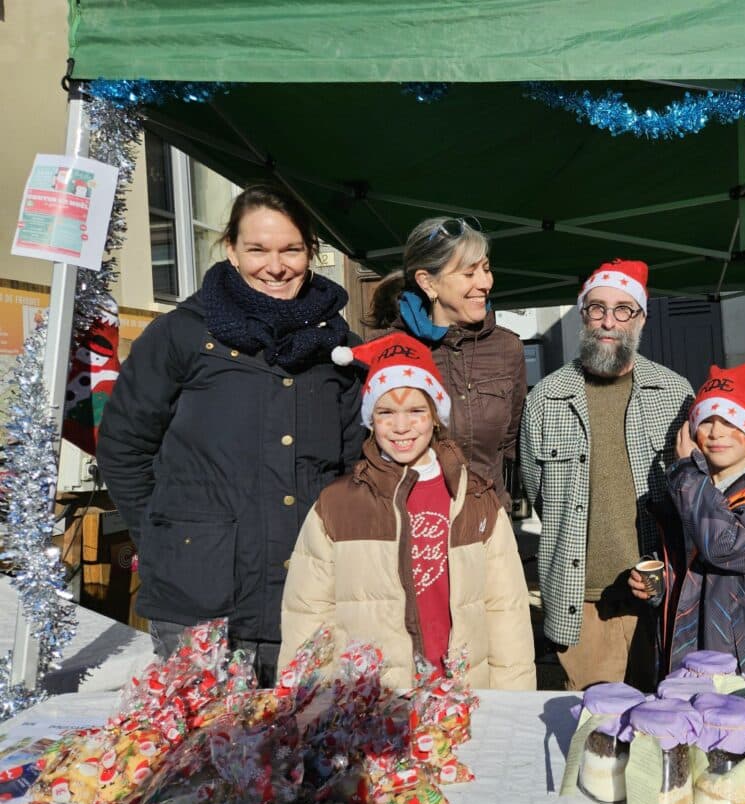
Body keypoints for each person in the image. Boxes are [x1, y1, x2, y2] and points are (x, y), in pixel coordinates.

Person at [97, 184, 364, 685]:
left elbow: (352, 468)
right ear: (232, 250)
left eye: (291, 249)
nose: (276, 266)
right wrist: (163, 537)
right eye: (258, 249)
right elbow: (123, 448)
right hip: (200, 597)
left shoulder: (340, 349)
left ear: (311, 251)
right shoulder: (181, 335)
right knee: (205, 749)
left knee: (301, 753)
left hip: (307, 594)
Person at [279, 333, 536, 690]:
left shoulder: (476, 499)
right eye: (386, 412)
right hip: (371, 703)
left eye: (415, 411)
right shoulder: (338, 505)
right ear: (371, 419)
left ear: (435, 416)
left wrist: (513, 704)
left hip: (464, 693)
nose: (401, 427)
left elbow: (506, 611)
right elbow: (308, 614)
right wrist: (308, 706)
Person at [519, 259, 693, 691]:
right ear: (583, 315)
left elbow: (693, 491)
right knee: (594, 737)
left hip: (658, 598)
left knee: (660, 729)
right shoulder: (546, 397)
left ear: (641, 319)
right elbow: (534, 488)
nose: (608, 321)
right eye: (597, 308)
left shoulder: (676, 394)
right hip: (582, 604)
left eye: (623, 310)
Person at [629, 362, 745, 670]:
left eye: (731, 422)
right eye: (706, 421)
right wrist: (658, 584)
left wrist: (685, 471)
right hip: (691, 650)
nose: (717, 433)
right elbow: (691, 565)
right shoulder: (693, 490)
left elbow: (722, 546)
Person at [368, 217, 526, 510]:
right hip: (414, 526)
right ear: (428, 282)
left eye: (486, 269)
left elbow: (509, 444)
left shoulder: (507, 349)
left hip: (488, 529)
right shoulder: (386, 351)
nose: (485, 283)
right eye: (469, 274)